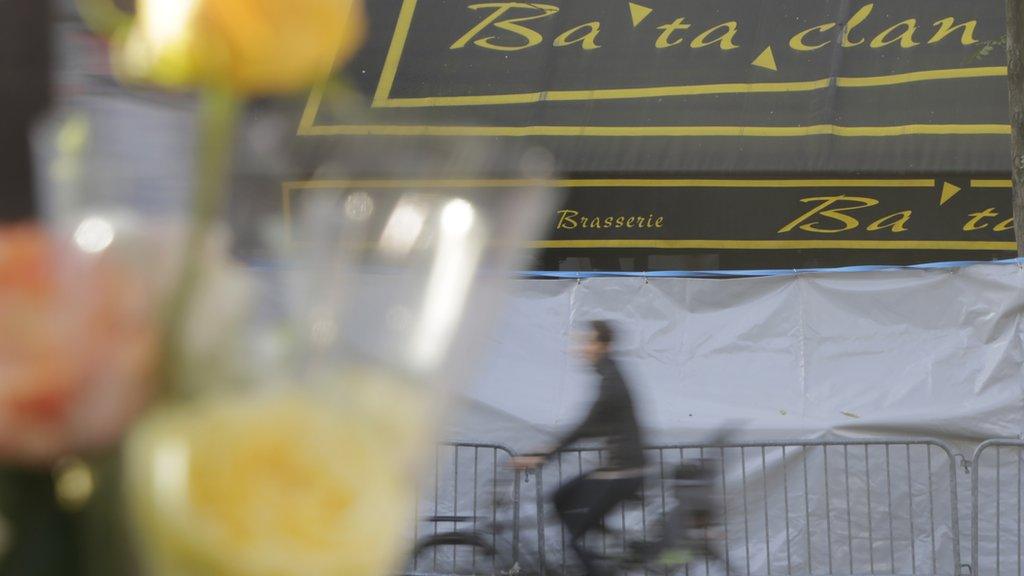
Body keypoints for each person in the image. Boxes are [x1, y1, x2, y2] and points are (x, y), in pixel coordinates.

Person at [512, 320, 645, 576]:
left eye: (588, 342)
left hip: (623, 472)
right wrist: (544, 453)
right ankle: (606, 552)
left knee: (575, 537)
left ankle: (596, 564)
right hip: (617, 469)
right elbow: (589, 429)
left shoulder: (611, 383)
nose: (582, 348)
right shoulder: (609, 375)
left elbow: (584, 428)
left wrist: (541, 456)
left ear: (603, 346)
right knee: (559, 498)